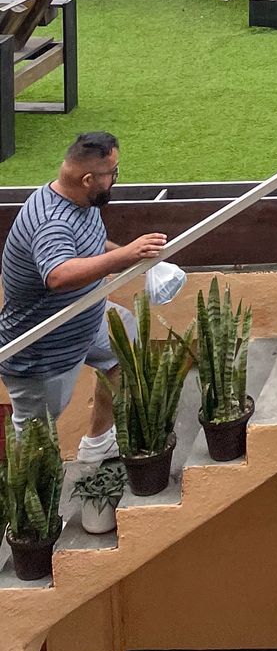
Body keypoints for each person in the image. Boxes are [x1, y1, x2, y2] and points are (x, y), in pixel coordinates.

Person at [0, 132, 167, 458]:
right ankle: (24, 505)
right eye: (112, 174)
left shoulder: (78, 200)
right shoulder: (52, 221)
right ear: (88, 178)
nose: (116, 179)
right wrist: (127, 255)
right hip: (43, 351)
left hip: (85, 320)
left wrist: (134, 258)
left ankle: (98, 441)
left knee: (125, 338)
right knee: (34, 447)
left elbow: (88, 246)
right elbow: (59, 275)